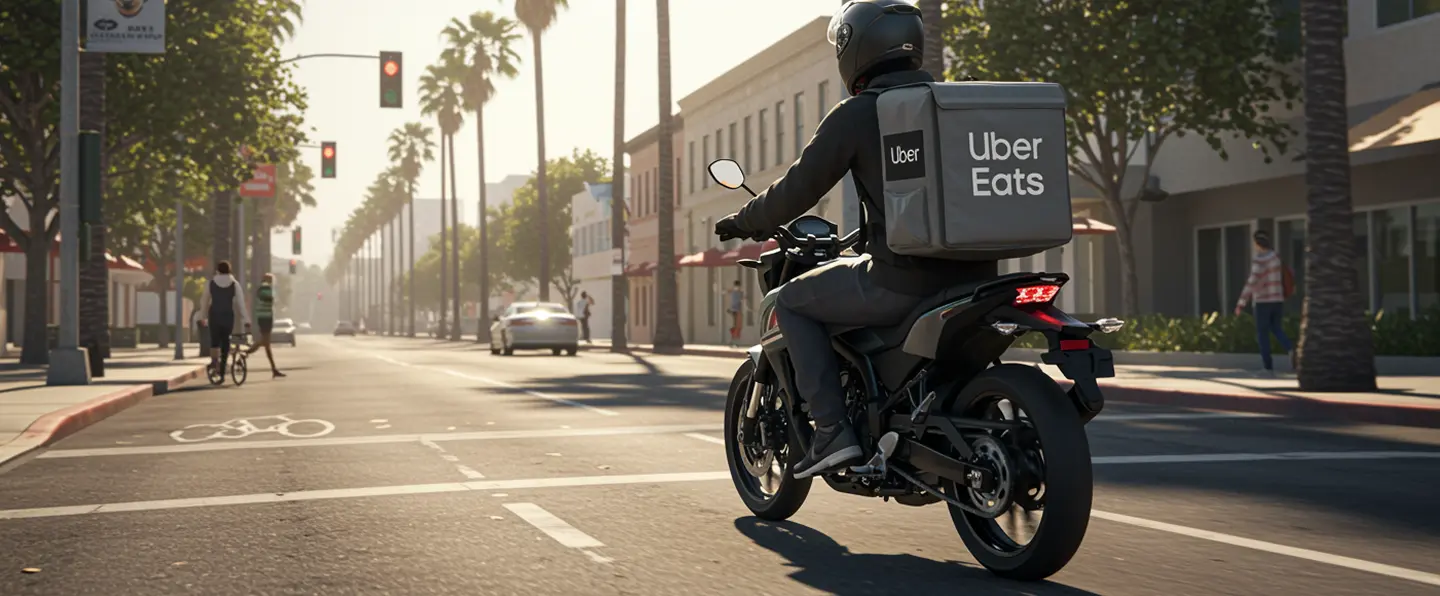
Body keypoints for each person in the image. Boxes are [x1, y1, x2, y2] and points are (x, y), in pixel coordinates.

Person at [714, 0, 997, 480]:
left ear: (854, 49)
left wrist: (746, 220)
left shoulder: (860, 114)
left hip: (901, 282)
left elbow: (798, 188)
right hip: (980, 276)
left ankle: (832, 431)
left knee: (792, 303)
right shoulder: (954, 105)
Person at [1235, 230, 1294, 376]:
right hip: (1277, 299)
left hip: (1263, 301)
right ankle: (1291, 349)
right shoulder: (1276, 257)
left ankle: (1268, 367)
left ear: (1257, 243)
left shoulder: (1260, 260)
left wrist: (1241, 302)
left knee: (1262, 333)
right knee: (1276, 328)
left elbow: (1253, 281)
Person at [198, 261, 251, 377]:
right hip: (227, 316)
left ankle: (214, 363)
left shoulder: (211, 283)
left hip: (214, 315)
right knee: (226, 341)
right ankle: (223, 366)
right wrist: (246, 320)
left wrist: (202, 316)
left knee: (215, 341)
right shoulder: (234, 284)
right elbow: (241, 304)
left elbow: (204, 301)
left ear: (217, 270)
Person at [245, 273, 287, 378]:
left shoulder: (263, 289)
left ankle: (274, 369)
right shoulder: (265, 288)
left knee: (266, 344)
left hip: (264, 317)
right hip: (266, 318)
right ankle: (245, 353)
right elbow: (270, 300)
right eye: (272, 280)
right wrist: (277, 302)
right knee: (265, 342)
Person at [726, 280, 745, 346]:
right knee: (735, 326)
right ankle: (734, 341)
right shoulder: (735, 292)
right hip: (735, 311)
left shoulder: (739, 292)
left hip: (737, 311)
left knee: (737, 326)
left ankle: (735, 341)